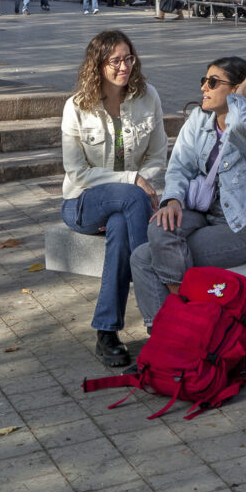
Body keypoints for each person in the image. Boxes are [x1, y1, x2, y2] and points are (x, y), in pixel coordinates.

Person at [130, 55, 246, 323]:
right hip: (202, 211)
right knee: (157, 231)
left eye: (213, 82)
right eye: (204, 80)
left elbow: (240, 126)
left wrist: (239, 101)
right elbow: (179, 166)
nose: (204, 87)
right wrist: (172, 200)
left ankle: (181, 320)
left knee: (145, 257)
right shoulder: (198, 120)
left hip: (241, 225)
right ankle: (166, 332)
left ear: (237, 88)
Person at [60, 31, 169, 368]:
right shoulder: (77, 107)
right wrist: (132, 180)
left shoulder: (148, 97)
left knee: (121, 226)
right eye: (116, 61)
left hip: (130, 207)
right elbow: (77, 173)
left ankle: (106, 332)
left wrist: (139, 183)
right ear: (98, 65)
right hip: (83, 203)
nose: (125, 67)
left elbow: (158, 157)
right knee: (132, 197)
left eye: (129, 58)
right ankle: (159, 321)